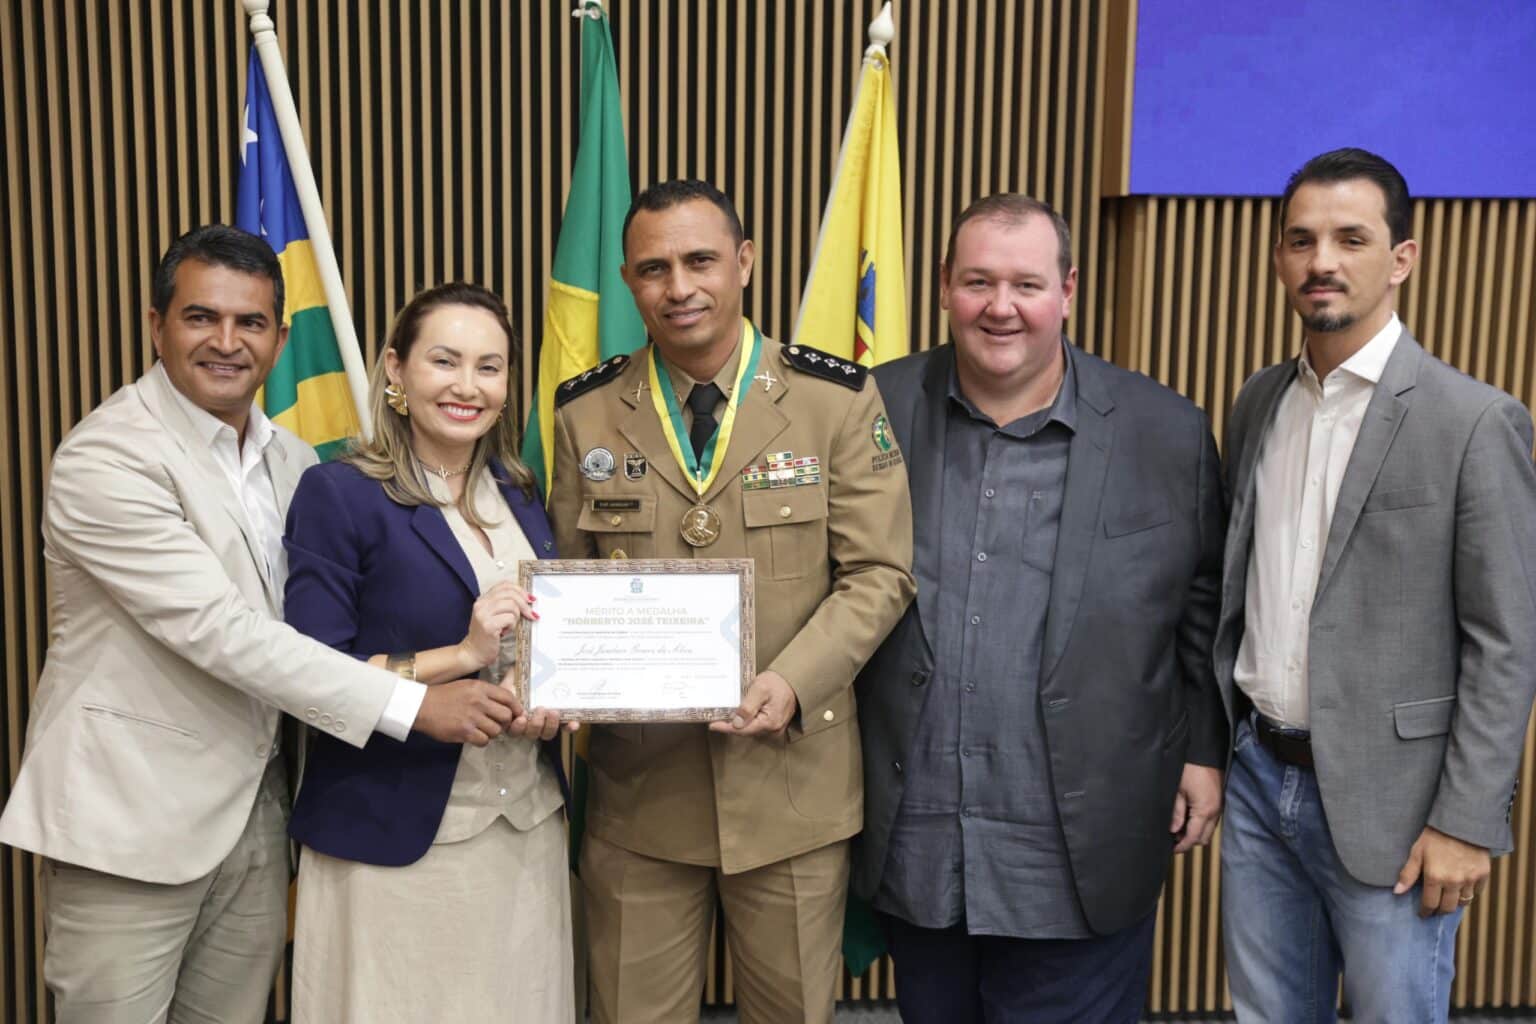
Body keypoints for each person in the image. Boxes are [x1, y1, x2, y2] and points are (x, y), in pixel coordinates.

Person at [0, 227, 518, 1023]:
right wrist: (418, 702)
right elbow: (223, 633)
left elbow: (317, 631)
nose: (226, 342)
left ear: (280, 336)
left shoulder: (294, 462)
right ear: (156, 326)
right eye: (201, 318)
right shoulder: (106, 458)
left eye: (251, 323)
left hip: (259, 813)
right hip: (130, 824)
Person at [547, 179, 916, 1024]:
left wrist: (792, 682)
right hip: (643, 793)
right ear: (628, 281)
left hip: (792, 785)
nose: (679, 288)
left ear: (744, 262)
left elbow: (881, 574)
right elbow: (571, 580)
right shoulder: (588, 414)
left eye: (700, 261)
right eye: (653, 268)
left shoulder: (836, 400)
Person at [853, 194, 1228, 1023]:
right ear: (945, 286)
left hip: (1082, 841)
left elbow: (1203, 597)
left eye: (1026, 284)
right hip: (919, 836)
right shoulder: (868, 410)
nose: (1000, 307)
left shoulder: (1164, 430)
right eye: (977, 281)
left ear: (1068, 291)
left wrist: (1204, 747)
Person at [1215, 147, 1536, 1023]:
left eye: (1351, 238)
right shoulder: (1257, 403)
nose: (1322, 261)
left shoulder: (1473, 422)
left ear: (1401, 258)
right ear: (1279, 259)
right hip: (1256, 781)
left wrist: (1469, 822)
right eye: (1301, 240)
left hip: (1396, 810)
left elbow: (1507, 643)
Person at [282, 283, 577, 1021]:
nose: (467, 386)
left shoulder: (521, 493)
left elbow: (547, 643)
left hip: (525, 829)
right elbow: (308, 674)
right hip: (394, 833)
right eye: (444, 362)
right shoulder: (338, 494)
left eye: (490, 367)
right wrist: (459, 655)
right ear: (395, 370)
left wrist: (550, 699)